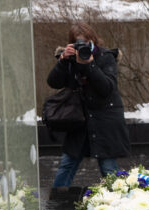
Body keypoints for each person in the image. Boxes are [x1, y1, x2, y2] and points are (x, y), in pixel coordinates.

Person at [47, 22, 130, 188]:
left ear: (93, 40)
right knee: (67, 163)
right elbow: (53, 82)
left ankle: (118, 203)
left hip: (104, 122)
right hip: (80, 122)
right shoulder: (69, 60)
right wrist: (63, 60)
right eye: (79, 44)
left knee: (108, 166)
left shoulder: (106, 57)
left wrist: (89, 64)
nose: (84, 48)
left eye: (87, 43)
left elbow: (107, 88)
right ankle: (57, 204)